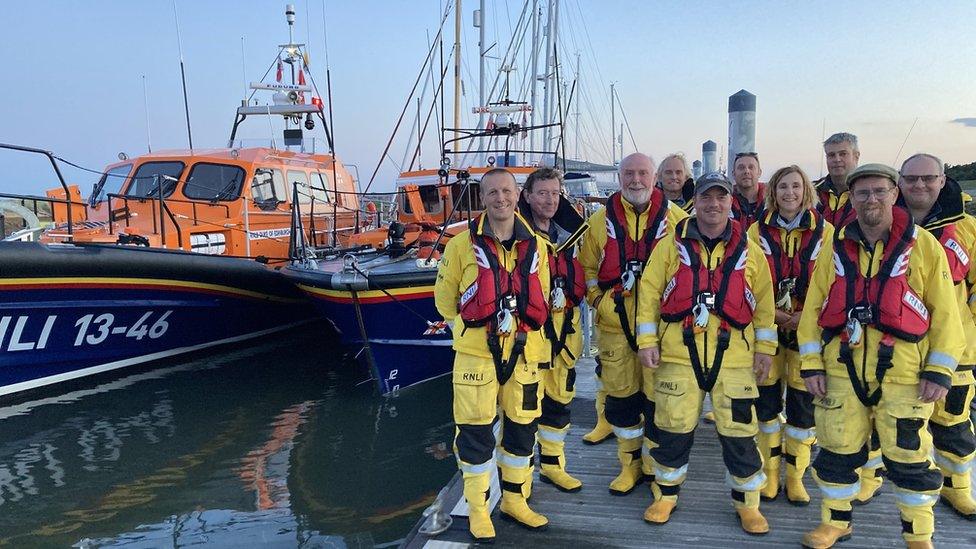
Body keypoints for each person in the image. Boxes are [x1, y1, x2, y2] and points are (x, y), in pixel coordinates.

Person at [797, 163, 965, 548]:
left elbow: (945, 315)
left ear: (894, 194)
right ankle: (836, 522)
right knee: (836, 450)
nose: (871, 199)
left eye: (879, 191)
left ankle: (919, 534)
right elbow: (812, 311)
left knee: (910, 458)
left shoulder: (924, 246)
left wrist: (939, 371)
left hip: (905, 375)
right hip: (842, 368)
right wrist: (810, 364)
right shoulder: (835, 247)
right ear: (852, 199)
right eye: (862, 193)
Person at [637, 171, 778, 534]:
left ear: (730, 202)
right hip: (677, 354)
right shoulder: (670, 245)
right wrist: (647, 341)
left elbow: (764, 304)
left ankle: (748, 504)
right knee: (672, 429)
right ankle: (665, 494)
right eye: (706, 197)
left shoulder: (751, 250)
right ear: (695, 201)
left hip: (735, 357)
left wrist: (765, 350)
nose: (713, 204)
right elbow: (650, 294)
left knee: (739, 433)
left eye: (721, 197)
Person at [434, 168, 552, 542]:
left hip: (524, 354)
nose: (500, 198)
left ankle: (516, 501)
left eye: (506, 191)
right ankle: (478, 509)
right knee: (474, 434)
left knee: (522, 431)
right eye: (492, 193)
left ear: (518, 195)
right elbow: (444, 302)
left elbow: (543, 298)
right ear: (481, 198)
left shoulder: (537, 246)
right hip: (476, 357)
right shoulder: (458, 245)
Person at [579, 152, 688, 495]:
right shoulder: (599, 222)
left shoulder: (680, 221)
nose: (636, 180)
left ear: (654, 177)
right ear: (620, 177)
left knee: (660, 403)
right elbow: (587, 271)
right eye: (629, 173)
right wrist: (599, 302)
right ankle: (630, 466)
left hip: (661, 333)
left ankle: (656, 468)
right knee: (621, 401)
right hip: (615, 330)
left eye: (643, 173)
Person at [747, 165, 833, 506]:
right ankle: (769, 475)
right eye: (783, 186)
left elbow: (833, 282)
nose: (790, 193)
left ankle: (796, 477)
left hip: (807, 329)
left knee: (802, 411)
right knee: (765, 407)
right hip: (767, 328)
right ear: (773, 191)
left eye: (796, 186)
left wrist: (803, 316)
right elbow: (744, 279)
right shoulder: (754, 232)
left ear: (806, 191)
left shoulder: (826, 233)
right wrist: (775, 314)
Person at [897, 153, 976, 521]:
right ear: (900, 182)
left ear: (943, 180)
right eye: (911, 179)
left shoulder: (968, 230)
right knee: (891, 418)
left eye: (928, 178)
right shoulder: (888, 225)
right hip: (898, 345)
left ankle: (956, 486)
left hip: (955, 348)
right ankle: (875, 476)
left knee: (953, 420)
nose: (920, 185)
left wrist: (965, 328)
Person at [518, 167, 589, 493]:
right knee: (522, 411)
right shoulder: (515, 234)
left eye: (554, 193)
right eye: (542, 193)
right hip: (529, 339)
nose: (548, 199)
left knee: (559, 403)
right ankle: (519, 479)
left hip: (565, 335)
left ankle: (553, 465)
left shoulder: (570, 235)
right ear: (528, 196)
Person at [814, 133, 860, 227]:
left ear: (856, 156)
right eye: (831, 155)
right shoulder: (811, 192)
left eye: (843, 154)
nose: (837, 159)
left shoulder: (870, 193)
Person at [731, 152, 766, 227]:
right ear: (733, 174)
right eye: (741, 168)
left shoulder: (773, 202)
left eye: (751, 167)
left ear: (759, 172)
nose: (746, 171)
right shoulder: (725, 203)